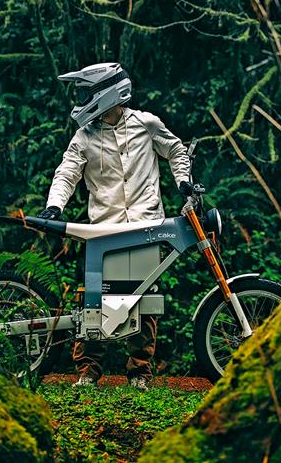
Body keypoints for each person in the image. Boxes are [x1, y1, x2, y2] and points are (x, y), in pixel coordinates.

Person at [39, 62, 192, 390]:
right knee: (94, 300)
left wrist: (184, 182)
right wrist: (54, 205)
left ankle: (139, 372)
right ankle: (88, 371)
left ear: (106, 93)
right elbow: (67, 172)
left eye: (87, 93)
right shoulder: (85, 136)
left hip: (144, 224)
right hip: (104, 229)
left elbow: (177, 150)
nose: (83, 100)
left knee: (143, 299)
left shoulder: (146, 124)